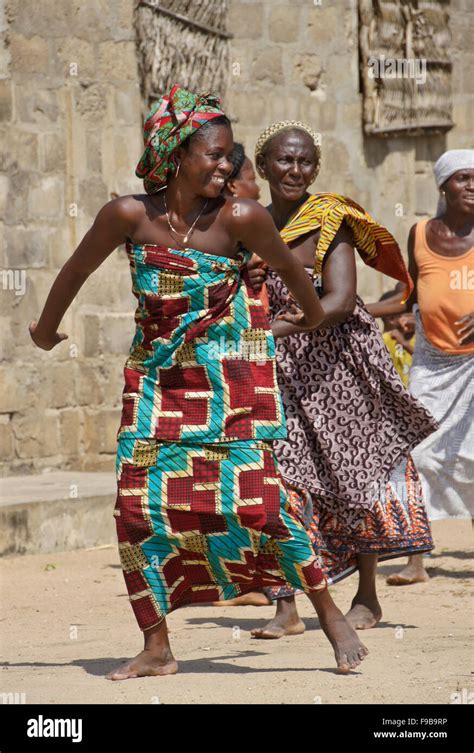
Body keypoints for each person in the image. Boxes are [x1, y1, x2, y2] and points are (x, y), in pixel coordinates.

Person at [29, 87, 369, 678]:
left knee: (260, 506)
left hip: (230, 386)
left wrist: (307, 319)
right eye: (213, 154)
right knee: (138, 513)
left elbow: (294, 273)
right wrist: (45, 328)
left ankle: (328, 613)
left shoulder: (242, 217)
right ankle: (156, 646)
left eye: (229, 155)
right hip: (157, 385)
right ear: (175, 153)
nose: (225, 166)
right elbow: (75, 269)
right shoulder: (128, 215)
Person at [237, 120, 437, 638]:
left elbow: (341, 301)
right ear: (263, 167)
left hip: (339, 368)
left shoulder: (332, 220)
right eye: (284, 160)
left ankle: (367, 596)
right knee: (279, 482)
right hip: (278, 371)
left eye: (305, 162)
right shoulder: (247, 224)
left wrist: (269, 330)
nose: (295, 170)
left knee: (352, 478)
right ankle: (286, 607)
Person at [368, 149, 474, 586]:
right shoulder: (418, 234)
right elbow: (405, 296)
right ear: (443, 186)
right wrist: (353, 309)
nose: (472, 186)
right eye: (463, 178)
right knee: (415, 452)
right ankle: (416, 558)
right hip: (431, 361)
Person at [378, 287, 416, 387]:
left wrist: (404, 343)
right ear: (391, 318)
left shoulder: (420, 338)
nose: (413, 316)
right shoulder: (385, 340)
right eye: (408, 312)